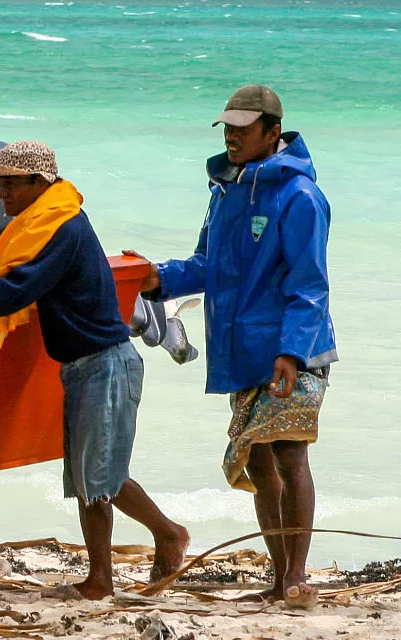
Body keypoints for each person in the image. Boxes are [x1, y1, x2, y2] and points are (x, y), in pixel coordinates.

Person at [0, 141, 189, 600]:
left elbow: (13, 291)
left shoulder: (61, 229)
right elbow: (18, 273)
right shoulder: (46, 223)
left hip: (106, 365)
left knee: (99, 478)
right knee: (89, 479)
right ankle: (102, 578)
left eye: (10, 184)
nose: (0, 195)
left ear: (40, 183)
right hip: (84, 366)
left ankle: (166, 535)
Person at [133, 85, 334, 607]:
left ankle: (295, 577)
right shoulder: (223, 191)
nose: (232, 137)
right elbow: (207, 266)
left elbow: (309, 284)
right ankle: (276, 577)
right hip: (242, 349)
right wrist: (154, 279)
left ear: (273, 133)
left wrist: (291, 352)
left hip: (296, 351)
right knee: (260, 463)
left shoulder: (300, 197)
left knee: (290, 456)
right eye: (227, 128)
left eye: (244, 129)